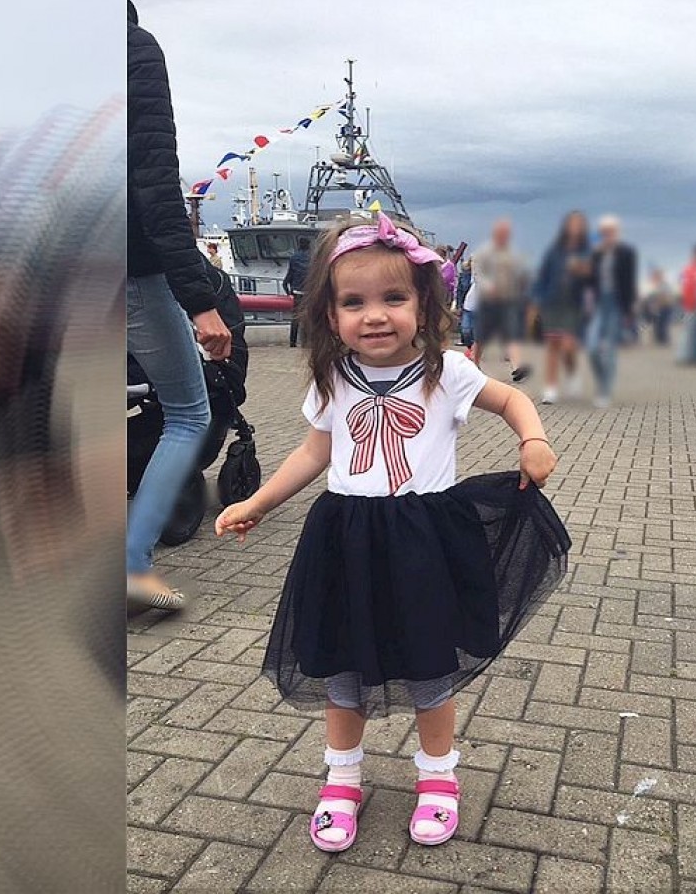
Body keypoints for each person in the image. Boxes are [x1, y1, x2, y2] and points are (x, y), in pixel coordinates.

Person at [213, 213, 569, 853]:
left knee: (430, 665)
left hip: (425, 542)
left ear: (425, 306)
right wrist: (259, 502)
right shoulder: (333, 378)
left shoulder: (447, 371)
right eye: (354, 302)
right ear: (329, 316)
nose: (374, 315)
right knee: (341, 666)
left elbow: (513, 400)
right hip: (344, 539)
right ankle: (342, 779)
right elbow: (314, 453)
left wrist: (533, 439)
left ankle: (438, 778)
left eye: (394, 298)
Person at [127, 0, 232, 610]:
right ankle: (131, 568)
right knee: (188, 413)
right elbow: (155, 186)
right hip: (128, 272)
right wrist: (200, 302)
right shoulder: (131, 48)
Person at [532, 210, 591, 404]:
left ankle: (572, 376)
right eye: (572, 224)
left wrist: (584, 272)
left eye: (578, 224)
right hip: (552, 303)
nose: (575, 228)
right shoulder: (554, 251)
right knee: (552, 345)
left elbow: (594, 278)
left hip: (574, 304)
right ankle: (551, 388)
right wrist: (537, 299)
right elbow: (543, 276)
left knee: (568, 346)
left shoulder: (586, 251)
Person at [471, 218, 531, 382]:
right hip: (488, 300)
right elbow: (478, 275)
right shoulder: (483, 253)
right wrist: (489, 286)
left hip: (506, 300)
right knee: (482, 336)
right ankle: (474, 363)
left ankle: (517, 367)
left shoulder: (511, 254)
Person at [586, 215, 637, 408]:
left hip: (617, 304)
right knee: (592, 347)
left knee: (609, 350)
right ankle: (601, 381)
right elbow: (590, 282)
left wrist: (629, 311)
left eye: (610, 232)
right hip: (600, 304)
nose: (607, 235)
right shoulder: (597, 254)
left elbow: (629, 282)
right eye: (604, 233)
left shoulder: (626, 253)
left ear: (616, 233)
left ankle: (605, 391)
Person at [676, 242, 696, 363]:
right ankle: (684, 356)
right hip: (691, 306)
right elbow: (687, 289)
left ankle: (693, 355)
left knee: (694, 332)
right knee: (689, 331)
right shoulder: (690, 270)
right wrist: (691, 304)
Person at [285, 236, 312, 347]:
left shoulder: (294, 258)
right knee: (308, 318)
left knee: (295, 318)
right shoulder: (313, 258)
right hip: (309, 292)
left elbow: (289, 276)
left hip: (297, 292)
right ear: (309, 245)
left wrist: (288, 292)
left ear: (299, 245)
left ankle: (292, 342)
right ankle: (306, 342)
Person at [645, 267, 675, 346]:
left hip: (665, 308)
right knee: (659, 325)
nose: (654, 277)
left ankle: (663, 340)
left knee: (662, 325)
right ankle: (660, 340)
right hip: (661, 308)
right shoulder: (657, 285)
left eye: (656, 276)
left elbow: (665, 298)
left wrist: (656, 306)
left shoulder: (663, 285)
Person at [454, 257, 473, 347]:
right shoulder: (464, 275)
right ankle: (468, 344)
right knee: (465, 329)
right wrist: (458, 306)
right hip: (466, 305)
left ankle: (474, 349)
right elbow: (460, 291)